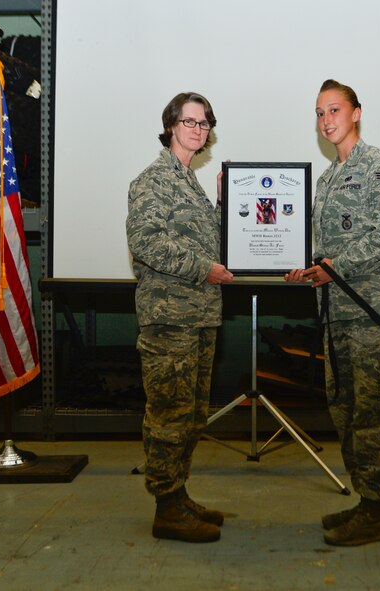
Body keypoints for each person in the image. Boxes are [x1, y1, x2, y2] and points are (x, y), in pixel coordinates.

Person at [284, 79, 380, 546]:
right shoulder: (326, 179)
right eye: (319, 113)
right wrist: (308, 269)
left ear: (356, 112)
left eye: (334, 110)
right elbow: (325, 250)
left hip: (376, 314)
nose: (326, 120)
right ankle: (366, 501)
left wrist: (332, 268)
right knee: (346, 412)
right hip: (336, 314)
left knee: (373, 416)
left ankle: (377, 512)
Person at [126, 92, 234, 543]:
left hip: (200, 317)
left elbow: (209, 243)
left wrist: (226, 204)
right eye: (189, 121)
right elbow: (147, 244)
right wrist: (202, 269)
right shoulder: (154, 180)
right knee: (169, 413)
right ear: (171, 125)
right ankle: (166, 506)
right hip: (169, 319)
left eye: (204, 123)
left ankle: (178, 493)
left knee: (191, 415)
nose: (197, 129)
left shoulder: (189, 182)